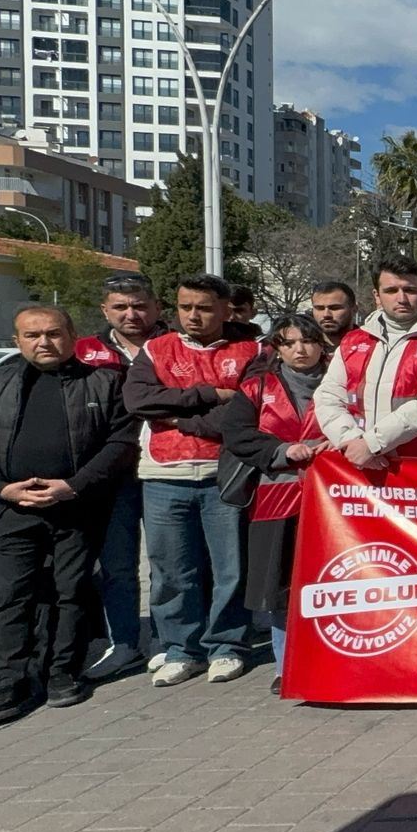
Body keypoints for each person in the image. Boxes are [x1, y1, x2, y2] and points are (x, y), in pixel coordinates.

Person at [0, 305, 138, 724]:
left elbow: (120, 445)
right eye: (32, 335)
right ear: (17, 340)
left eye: (53, 333)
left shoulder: (103, 382)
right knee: (12, 598)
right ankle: (11, 685)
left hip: (75, 508)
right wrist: (1, 488)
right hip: (13, 508)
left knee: (70, 591)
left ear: (72, 334)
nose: (44, 342)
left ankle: (62, 674)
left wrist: (73, 486)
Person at [123, 275, 262, 687]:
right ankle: (182, 649)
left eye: (203, 307)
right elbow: (139, 401)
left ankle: (226, 646)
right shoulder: (156, 349)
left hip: (227, 473)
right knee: (170, 571)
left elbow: (245, 409)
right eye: (185, 307)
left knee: (230, 568)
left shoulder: (251, 351)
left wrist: (178, 418)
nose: (194, 316)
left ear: (224, 309)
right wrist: (206, 395)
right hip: (164, 476)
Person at [212, 316, 332, 697]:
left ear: (322, 345)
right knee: (279, 588)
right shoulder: (257, 386)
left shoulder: (344, 384)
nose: (301, 350)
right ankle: (286, 664)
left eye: (308, 341)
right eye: (290, 342)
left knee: (332, 583)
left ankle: (333, 661)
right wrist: (281, 451)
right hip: (275, 497)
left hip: (333, 501)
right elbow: (237, 435)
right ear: (277, 348)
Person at [75, 273, 166, 681]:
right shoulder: (84, 353)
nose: (131, 314)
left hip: (169, 468)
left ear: (156, 306)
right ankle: (124, 643)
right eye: (120, 307)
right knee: (118, 565)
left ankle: (170, 639)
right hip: (111, 474)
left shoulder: (177, 347)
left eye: (140, 305)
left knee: (170, 563)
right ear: (105, 310)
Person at [313, 255, 417, 469]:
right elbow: (328, 397)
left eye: (410, 290)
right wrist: (350, 440)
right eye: (391, 291)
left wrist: (372, 443)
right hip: (359, 465)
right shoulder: (354, 341)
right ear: (377, 296)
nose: (402, 298)